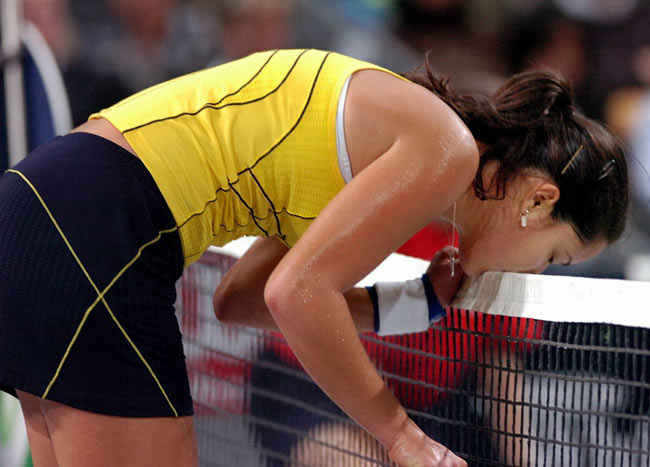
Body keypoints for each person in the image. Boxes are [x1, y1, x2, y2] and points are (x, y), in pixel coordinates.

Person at [0, 48, 628, 466]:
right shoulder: (449, 150)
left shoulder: (384, 139)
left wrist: (414, 302)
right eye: (557, 256)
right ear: (539, 202)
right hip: (99, 227)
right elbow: (296, 296)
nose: (539, 273)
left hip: (40, 205)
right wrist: (404, 438)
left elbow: (244, 300)